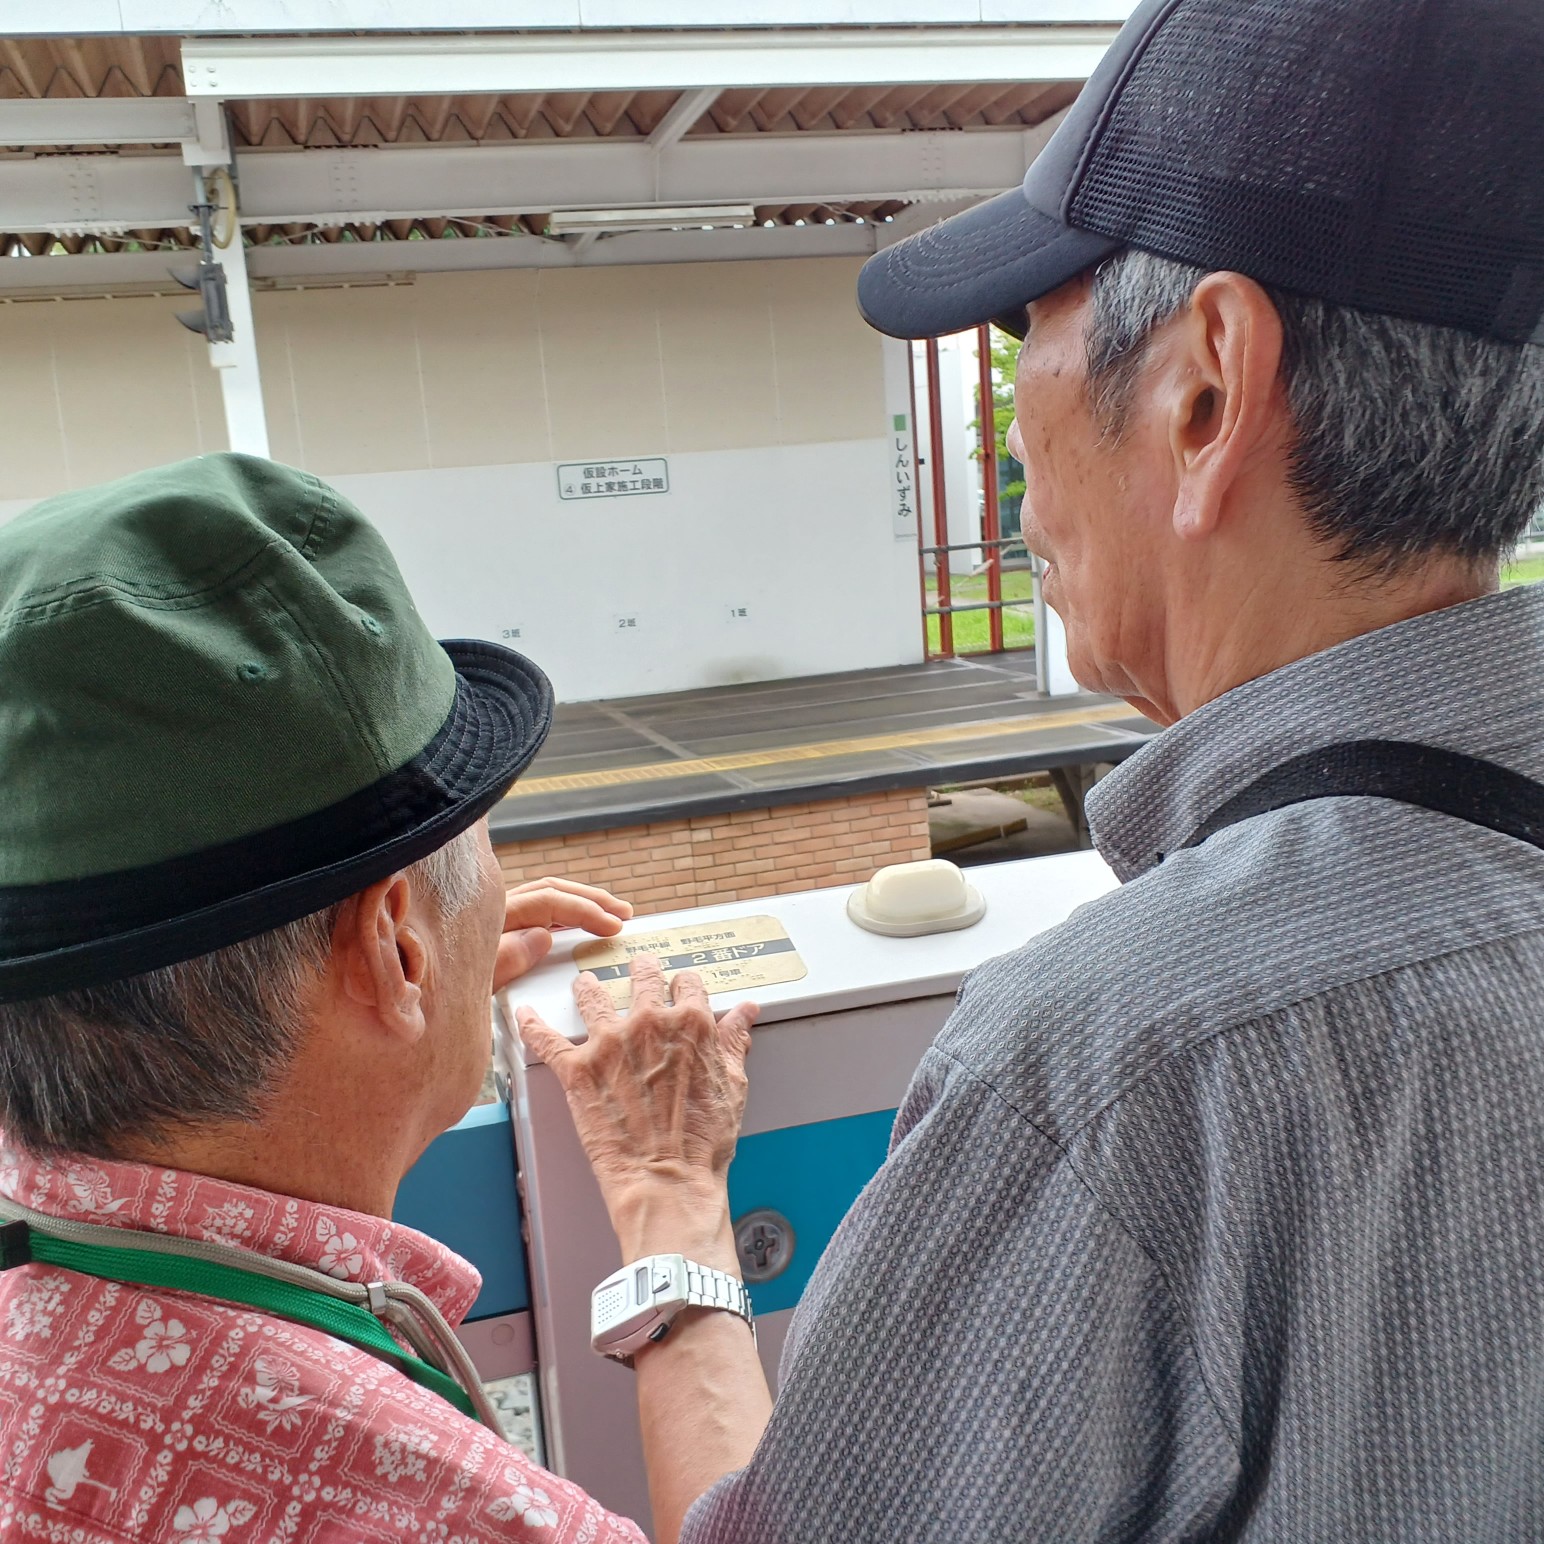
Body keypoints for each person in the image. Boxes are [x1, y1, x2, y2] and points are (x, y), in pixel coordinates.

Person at [516, 0, 1544, 1538]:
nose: (1009, 448)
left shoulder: (1108, 1072)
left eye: (1028, 339)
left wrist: (668, 1211)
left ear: (1206, 390)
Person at [0, 453, 761, 1542]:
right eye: (485, 836)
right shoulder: (442, 1512)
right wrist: (669, 1189)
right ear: (394, 941)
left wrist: (397, 996)